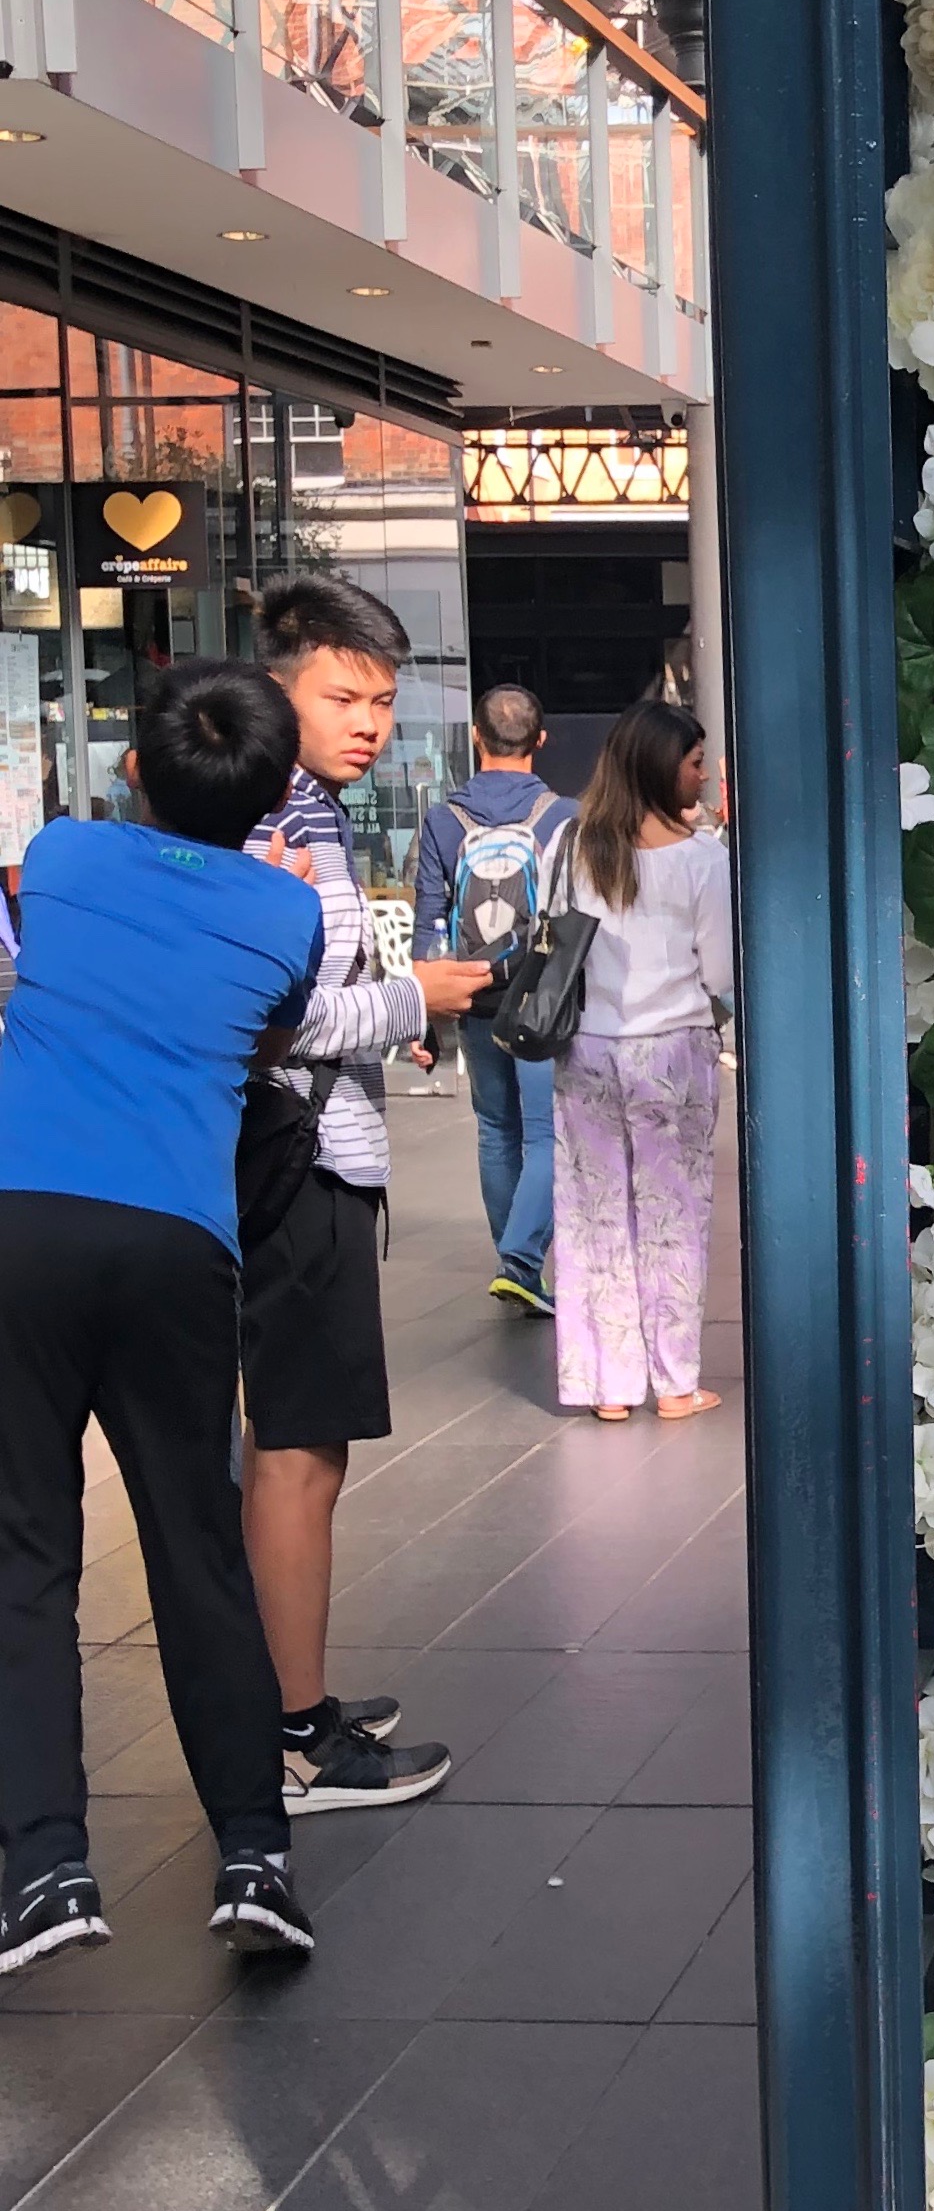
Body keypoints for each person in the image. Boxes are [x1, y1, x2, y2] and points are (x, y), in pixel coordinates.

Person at [0, 663, 329, 1969]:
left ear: (135, 766)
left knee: (26, 1549)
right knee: (197, 1544)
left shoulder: (62, 855)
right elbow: (269, 1037)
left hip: (22, 1221)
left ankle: (45, 1869)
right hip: (178, 1242)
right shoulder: (286, 909)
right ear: (274, 792)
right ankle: (253, 1853)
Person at [244, 575, 488, 1812]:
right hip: (294, 1159)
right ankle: (292, 1739)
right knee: (297, 1448)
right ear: (274, 687)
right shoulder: (267, 821)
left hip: (313, 1152)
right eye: (343, 695)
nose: (370, 723)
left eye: (384, 700)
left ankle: (291, 1702)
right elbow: (262, 1020)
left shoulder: (311, 812)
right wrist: (410, 998)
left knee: (303, 1444)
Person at [553, 697, 732, 1423]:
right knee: (672, 1214)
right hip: (673, 1049)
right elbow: (719, 972)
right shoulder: (702, 859)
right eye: (694, 764)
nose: (701, 778)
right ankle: (676, 1383)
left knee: (593, 1211)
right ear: (663, 767)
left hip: (588, 1048)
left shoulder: (575, 844)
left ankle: (609, 1385)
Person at [414, 681, 574, 1319]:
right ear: (541, 740)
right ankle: (521, 1262)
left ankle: (513, 1263)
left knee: (495, 1129)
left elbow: (430, 923)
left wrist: (425, 1019)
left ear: (475, 737)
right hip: (540, 998)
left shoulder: (442, 820)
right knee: (546, 1134)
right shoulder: (564, 816)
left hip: (472, 991)